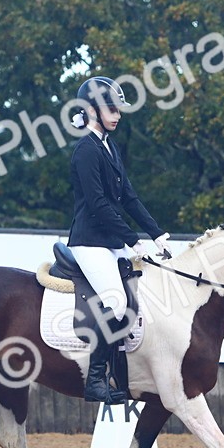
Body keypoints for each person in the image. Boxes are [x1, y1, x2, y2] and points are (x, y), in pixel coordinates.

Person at [68, 76, 171, 404]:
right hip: (90, 242)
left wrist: (157, 235)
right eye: (111, 108)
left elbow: (128, 197)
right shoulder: (86, 149)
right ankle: (95, 381)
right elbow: (98, 205)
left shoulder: (109, 147)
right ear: (92, 110)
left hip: (109, 242)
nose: (118, 114)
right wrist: (132, 239)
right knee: (116, 303)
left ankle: (125, 374)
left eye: (118, 108)